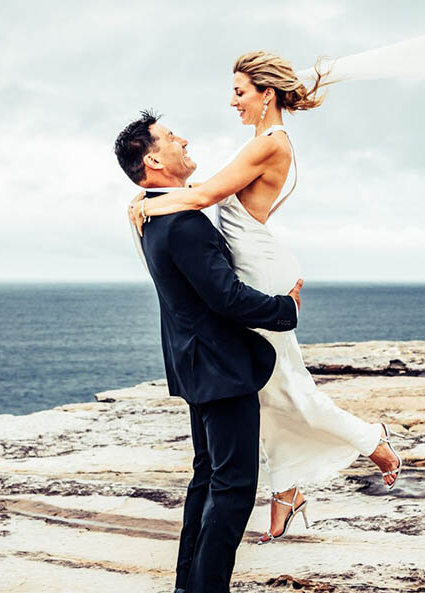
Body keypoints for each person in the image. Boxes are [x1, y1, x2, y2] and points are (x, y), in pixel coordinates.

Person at [128, 51, 403, 544]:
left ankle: (372, 440)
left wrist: (145, 203)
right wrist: (150, 202)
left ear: (265, 94)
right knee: (264, 386)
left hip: (260, 270)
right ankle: (288, 491)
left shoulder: (270, 143)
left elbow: (203, 196)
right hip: (252, 264)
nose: (232, 100)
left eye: (239, 91)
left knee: (286, 385)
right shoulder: (260, 140)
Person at [114, 110, 303, 593]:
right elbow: (226, 298)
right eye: (172, 138)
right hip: (219, 366)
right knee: (235, 482)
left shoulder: (154, 213)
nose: (183, 141)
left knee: (209, 474)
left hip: (196, 362)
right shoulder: (181, 221)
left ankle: (190, 587)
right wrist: (284, 308)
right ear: (153, 159)